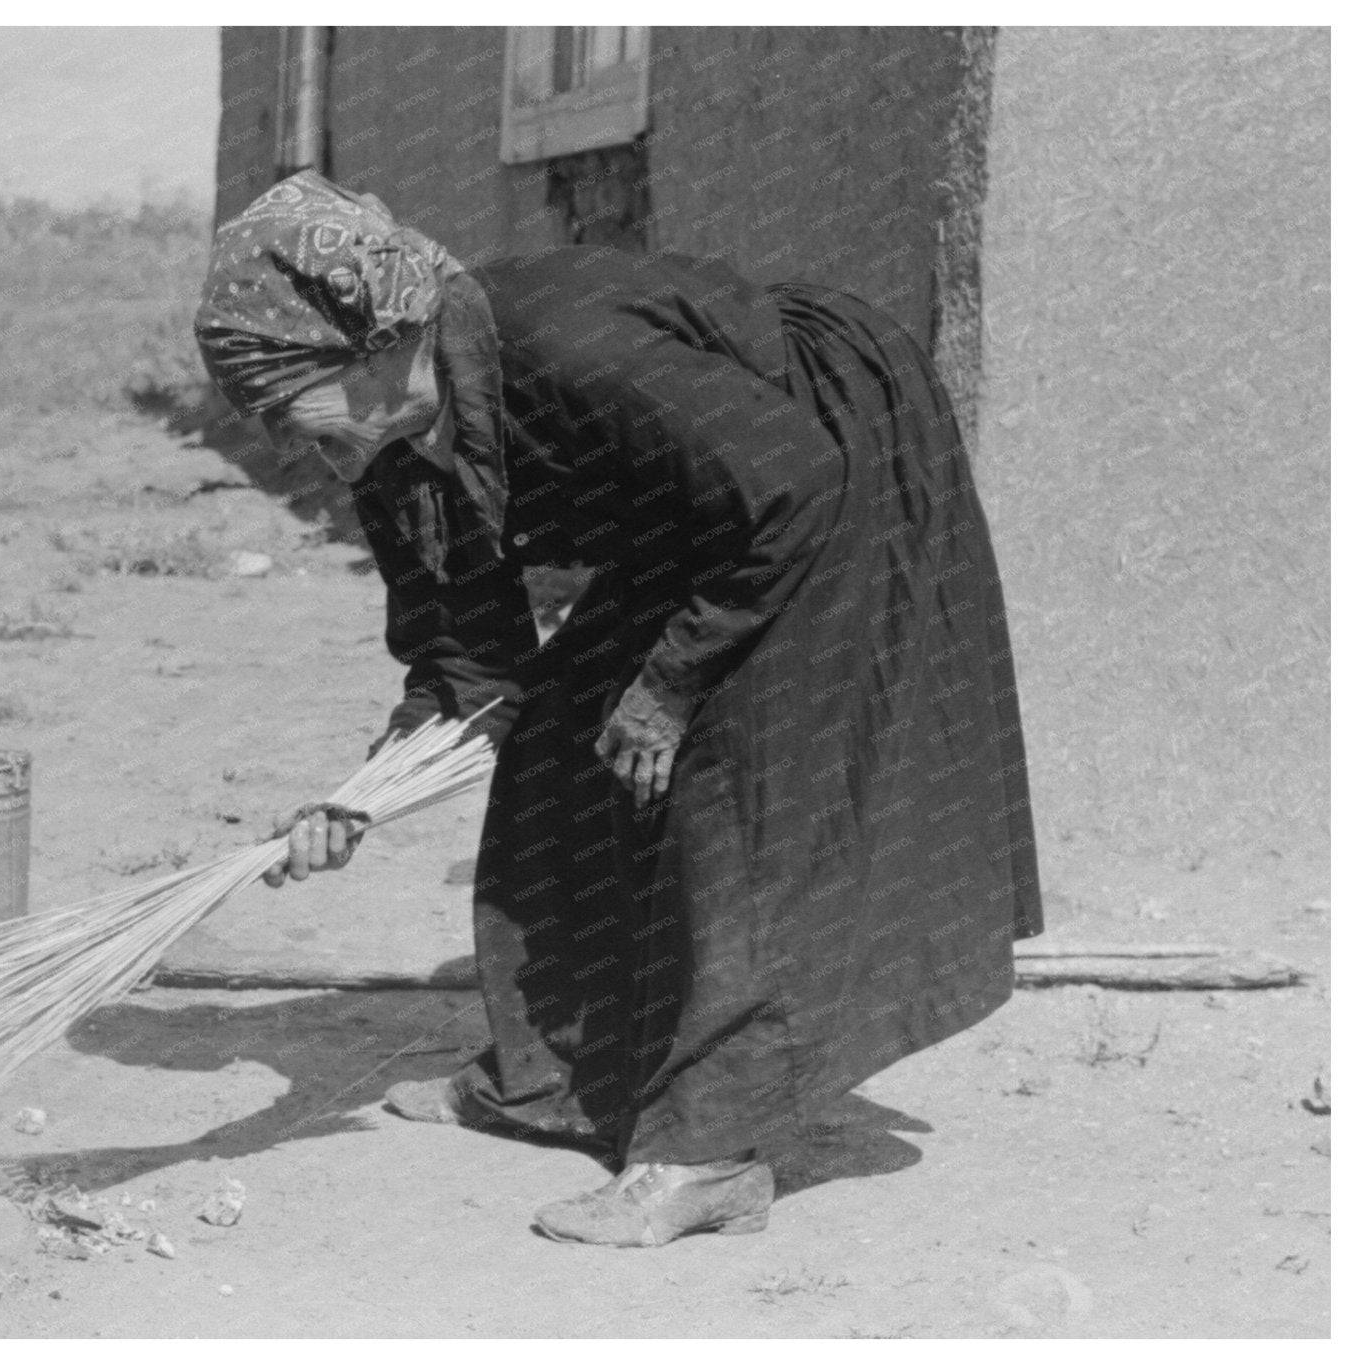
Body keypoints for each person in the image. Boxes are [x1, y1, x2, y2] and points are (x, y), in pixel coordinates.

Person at [192, 171, 1042, 1247]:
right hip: (705, 503)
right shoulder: (390, 459)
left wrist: (670, 680)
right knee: (557, 743)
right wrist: (357, 802)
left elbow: (785, 483)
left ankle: (709, 1156)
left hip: (825, 454)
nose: (290, 450)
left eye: (289, 412)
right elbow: (470, 669)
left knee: (735, 786)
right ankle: (552, 1082)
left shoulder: (565, 351)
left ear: (374, 343)